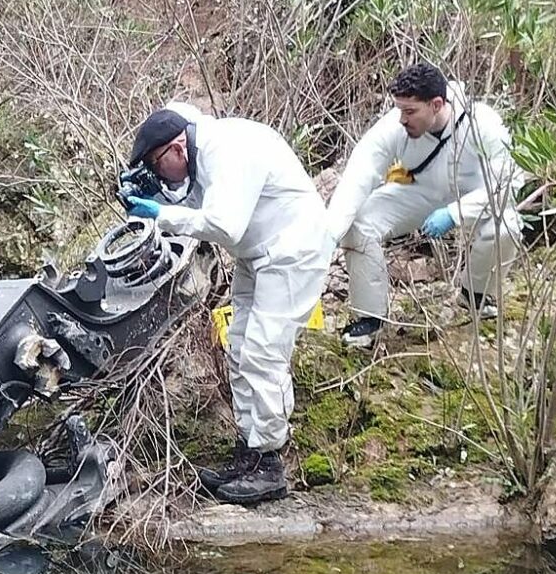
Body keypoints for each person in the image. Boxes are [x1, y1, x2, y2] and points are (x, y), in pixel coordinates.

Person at [122, 102, 330, 506]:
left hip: (293, 250)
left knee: (263, 352)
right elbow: (203, 210)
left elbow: (223, 224)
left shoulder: (228, 150)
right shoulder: (203, 154)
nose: (156, 171)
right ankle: (250, 450)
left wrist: (161, 215)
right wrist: (157, 199)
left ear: (177, 149)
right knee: (238, 347)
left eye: (155, 163)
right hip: (259, 254)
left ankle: (270, 464)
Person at [327, 62, 524, 348]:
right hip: (421, 192)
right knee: (360, 224)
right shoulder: (394, 127)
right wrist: (331, 231)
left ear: (436, 104)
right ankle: (370, 318)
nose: (402, 119)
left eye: (410, 111)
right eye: (399, 110)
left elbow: (506, 183)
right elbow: (360, 172)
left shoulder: (483, 124)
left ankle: (477, 294)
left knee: (508, 226)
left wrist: (455, 213)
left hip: (474, 197)